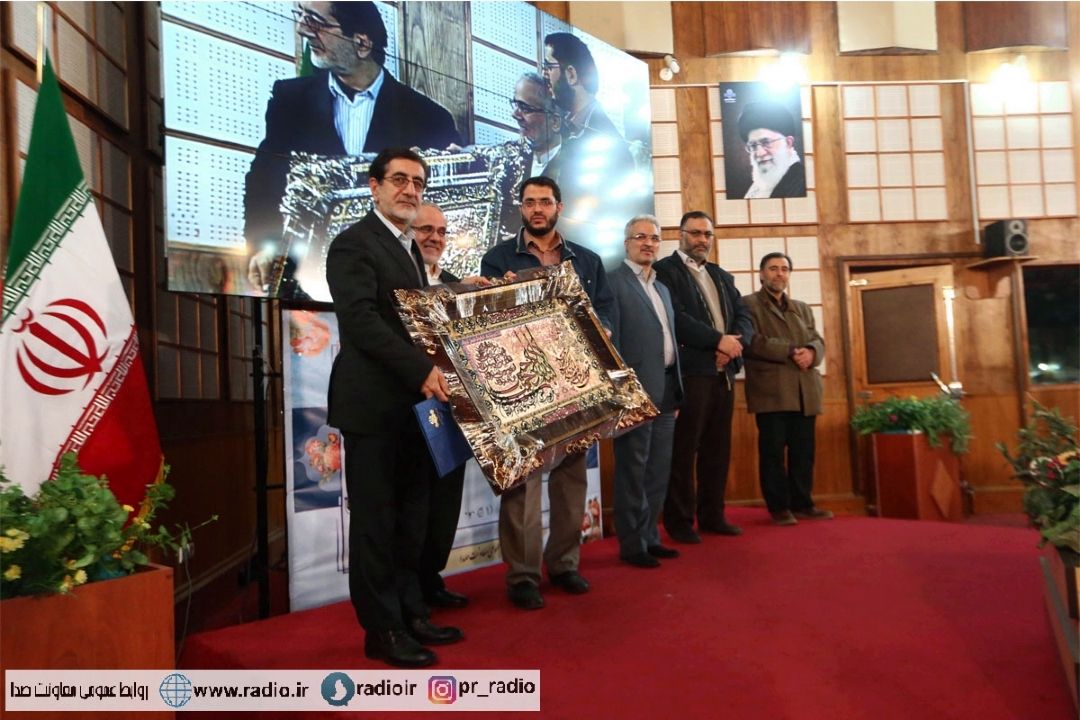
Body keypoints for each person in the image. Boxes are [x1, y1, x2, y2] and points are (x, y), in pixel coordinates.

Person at [325, 148, 462, 669]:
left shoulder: (408, 251)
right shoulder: (353, 243)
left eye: (418, 182)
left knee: (411, 521)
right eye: (400, 179)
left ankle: (411, 614)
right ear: (374, 186)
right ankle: (381, 630)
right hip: (373, 409)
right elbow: (361, 321)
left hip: (414, 412)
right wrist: (421, 370)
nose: (410, 189)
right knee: (377, 525)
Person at [245, 1, 461, 297]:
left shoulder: (430, 118)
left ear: (361, 43)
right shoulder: (290, 100)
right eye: (301, 16)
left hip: (395, 288)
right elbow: (264, 180)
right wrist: (263, 246)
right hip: (309, 280)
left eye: (316, 21)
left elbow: (442, 210)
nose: (303, 30)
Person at [480, 176, 614, 610]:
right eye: (529, 202)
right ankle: (522, 575)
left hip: (577, 381)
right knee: (522, 480)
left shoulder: (587, 260)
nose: (537, 209)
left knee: (572, 477)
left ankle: (564, 564)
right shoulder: (497, 258)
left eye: (545, 202)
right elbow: (483, 319)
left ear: (559, 207)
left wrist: (603, 330)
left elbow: (606, 309)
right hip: (522, 385)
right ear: (520, 208)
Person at [653, 211, 754, 543]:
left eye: (707, 234)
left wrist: (734, 344)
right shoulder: (665, 271)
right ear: (680, 235)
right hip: (692, 374)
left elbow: (744, 315)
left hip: (724, 373)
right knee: (684, 450)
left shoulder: (721, 275)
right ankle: (680, 521)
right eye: (695, 233)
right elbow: (676, 318)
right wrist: (717, 341)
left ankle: (713, 515)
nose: (701, 240)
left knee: (717, 450)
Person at [608, 215, 683, 568]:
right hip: (634, 394)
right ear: (627, 243)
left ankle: (651, 535)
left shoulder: (662, 288)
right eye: (640, 236)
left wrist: (676, 389)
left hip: (667, 389)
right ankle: (632, 543)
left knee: (658, 470)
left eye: (654, 238)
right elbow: (611, 345)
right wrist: (620, 394)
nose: (648, 243)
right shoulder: (613, 283)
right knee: (633, 471)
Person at [743, 252, 832, 526]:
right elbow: (751, 341)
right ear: (761, 274)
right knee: (772, 454)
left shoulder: (801, 308)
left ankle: (803, 503)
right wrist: (792, 350)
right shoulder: (747, 305)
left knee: (803, 452)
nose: (779, 273)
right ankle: (779, 507)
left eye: (784, 269)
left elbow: (817, 340)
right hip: (771, 391)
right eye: (773, 268)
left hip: (805, 390)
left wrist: (811, 352)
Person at [541, 33, 634, 222]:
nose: (544, 75)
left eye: (549, 67)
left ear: (571, 75)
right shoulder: (568, 129)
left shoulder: (608, 142)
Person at [736, 101, 806, 199]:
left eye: (766, 142)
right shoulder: (759, 184)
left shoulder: (802, 183)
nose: (759, 153)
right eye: (753, 146)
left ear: (788, 143)